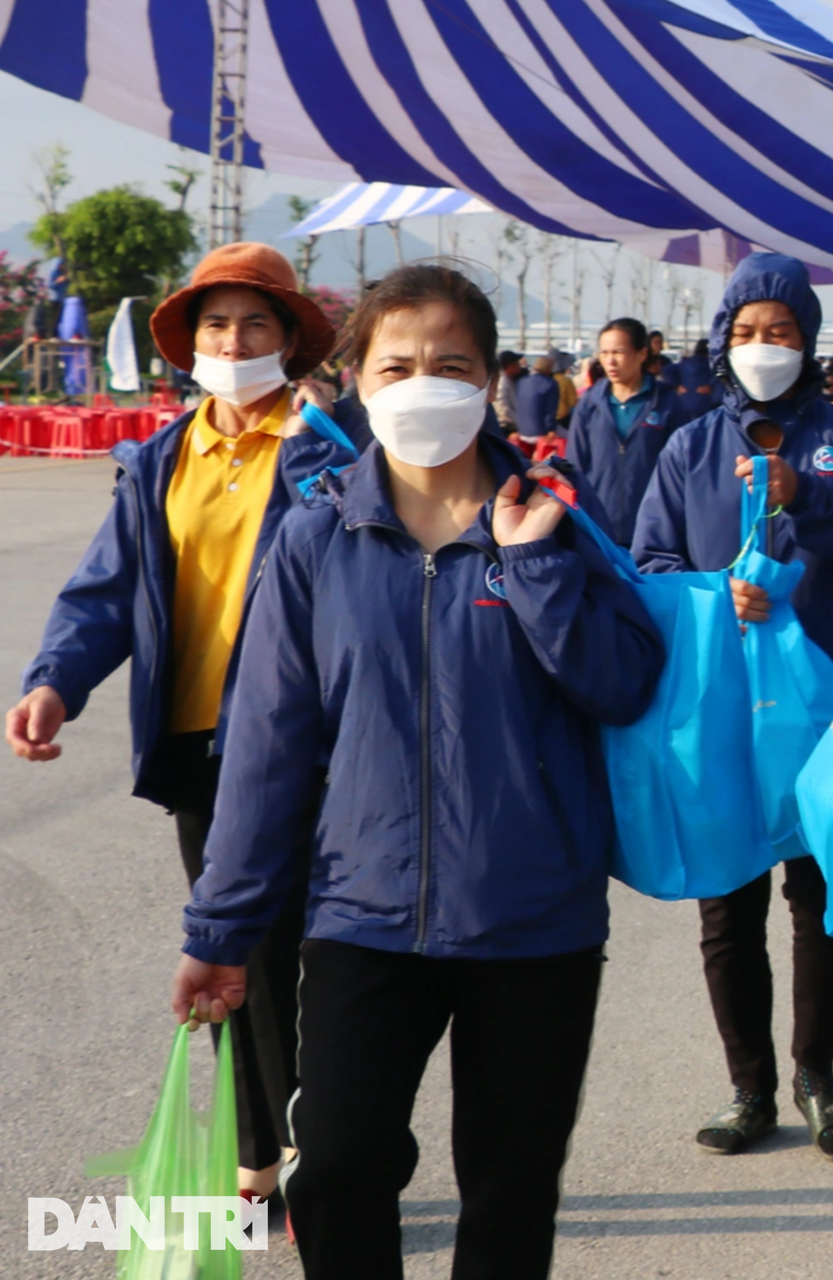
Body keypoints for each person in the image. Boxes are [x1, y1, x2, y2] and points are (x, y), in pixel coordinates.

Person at [170, 263, 663, 1274]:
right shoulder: (315, 540)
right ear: (356, 378)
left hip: (535, 923)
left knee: (511, 1192)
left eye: (451, 362)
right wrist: (221, 928)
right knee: (339, 1169)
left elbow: (624, 682)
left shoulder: (556, 524)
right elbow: (266, 751)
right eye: (397, 363)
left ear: (490, 380)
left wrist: (533, 571)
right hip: (363, 916)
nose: (423, 381)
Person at [7, 242, 351, 1203]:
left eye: (254, 323)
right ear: (190, 342)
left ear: (289, 340)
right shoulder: (160, 458)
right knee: (234, 953)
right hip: (204, 751)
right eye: (215, 324)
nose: (233, 341)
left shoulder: (332, 452)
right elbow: (104, 592)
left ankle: (331, 1152)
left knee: (324, 959)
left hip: (317, 748)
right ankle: (260, 1157)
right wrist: (53, 684)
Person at [632, 251, 833, 1161]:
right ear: (722, 344)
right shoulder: (690, 447)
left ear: (808, 340)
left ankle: (817, 1074)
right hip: (720, 709)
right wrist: (719, 595)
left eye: (780, 332)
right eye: (746, 333)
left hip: (828, 700)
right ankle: (748, 1086)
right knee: (727, 899)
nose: (763, 348)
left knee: (822, 891)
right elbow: (653, 565)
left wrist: (805, 497)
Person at [569, 319, 683, 546]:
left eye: (619, 352)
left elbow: (680, 470)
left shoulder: (666, 402)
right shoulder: (589, 403)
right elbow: (574, 465)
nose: (610, 361)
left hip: (652, 528)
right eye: (603, 352)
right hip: (598, 526)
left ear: (641, 354)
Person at [514, 353, 560, 442]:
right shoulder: (550, 384)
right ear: (548, 369)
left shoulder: (521, 382)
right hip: (540, 432)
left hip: (522, 431)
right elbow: (550, 411)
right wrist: (551, 429)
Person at [676, 337, 717, 420]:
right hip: (704, 402)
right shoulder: (711, 363)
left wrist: (676, 386)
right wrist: (711, 385)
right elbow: (718, 375)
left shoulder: (685, 362)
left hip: (684, 401)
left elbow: (667, 371)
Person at [492, 349, 525, 435]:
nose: (519, 365)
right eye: (516, 362)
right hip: (506, 426)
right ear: (509, 365)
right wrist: (519, 420)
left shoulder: (511, 381)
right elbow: (503, 407)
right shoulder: (502, 382)